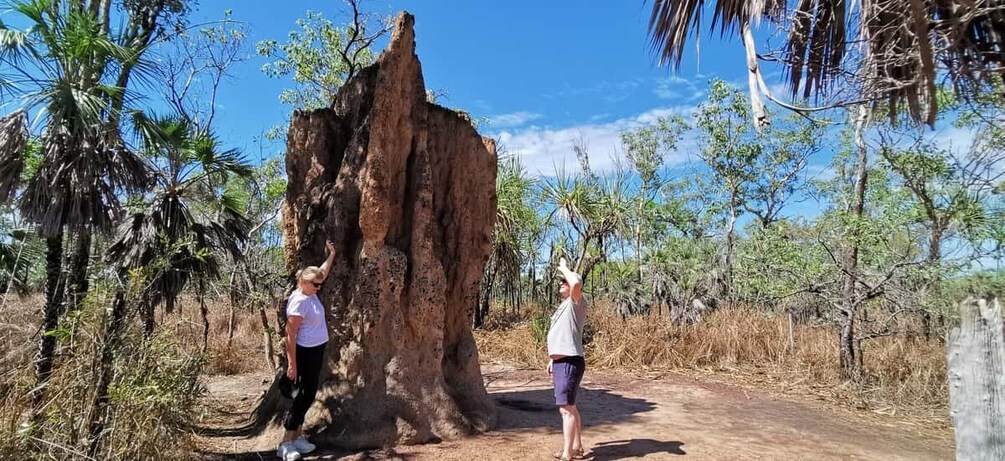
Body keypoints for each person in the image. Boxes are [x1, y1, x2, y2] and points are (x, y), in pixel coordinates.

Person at [277, 241, 336, 461]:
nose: (319, 288)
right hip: (304, 353)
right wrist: (292, 364)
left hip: (316, 350)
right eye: (315, 285)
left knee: (308, 393)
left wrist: (332, 254)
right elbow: (289, 335)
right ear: (303, 281)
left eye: (320, 285)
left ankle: (298, 437)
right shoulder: (299, 302)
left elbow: (322, 272)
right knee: (303, 396)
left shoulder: (310, 292)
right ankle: (285, 443)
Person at [546, 257, 589, 461]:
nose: (561, 283)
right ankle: (577, 447)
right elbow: (562, 335)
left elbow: (576, 283)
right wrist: (552, 359)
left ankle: (567, 454)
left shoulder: (576, 303)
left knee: (566, 410)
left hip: (570, 362)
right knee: (570, 406)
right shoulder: (564, 306)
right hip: (562, 362)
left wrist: (564, 267)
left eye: (563, 281)